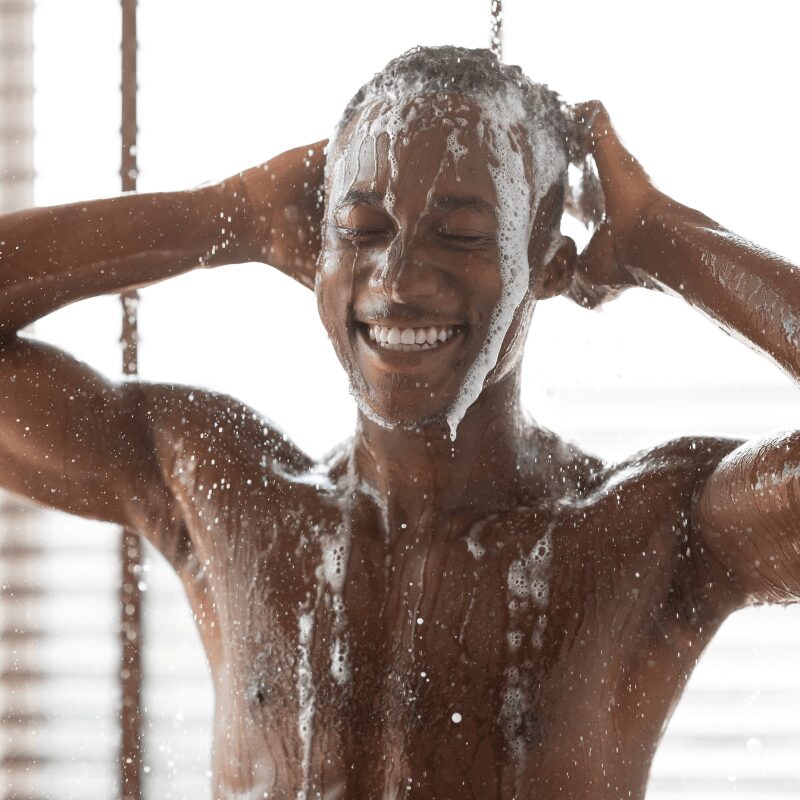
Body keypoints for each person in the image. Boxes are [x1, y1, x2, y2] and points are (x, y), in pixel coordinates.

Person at [0, 45, 798, 800]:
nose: (400, 276)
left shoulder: (645, 532)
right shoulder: (228, 495)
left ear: (548, 258)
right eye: (363, 230)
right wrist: (228, 214)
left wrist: (666, 241)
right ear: (319, 253)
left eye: (459, 234)